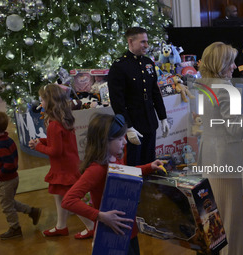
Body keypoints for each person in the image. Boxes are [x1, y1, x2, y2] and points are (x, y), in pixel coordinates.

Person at [197, 42, 243, 255]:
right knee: (230, 216)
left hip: (210, 157)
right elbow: (235, 128)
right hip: (224, 161)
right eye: (231, 62)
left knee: (213, 216)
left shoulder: (204, 84)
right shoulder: (225, 89)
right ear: (220, 64)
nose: (235, 67)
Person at [61, 113, 164, 255]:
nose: (125, 142)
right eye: (120, 138)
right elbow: (68, 200)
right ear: (105, 141)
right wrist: (100, 216)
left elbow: (125, 172)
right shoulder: (96, 169)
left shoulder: (115, 157)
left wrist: (148, 167)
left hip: (128, 229)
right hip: (112, 234)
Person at [29, 84, 94, 239]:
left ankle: (92, 226)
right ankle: (61, 226)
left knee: (70, 200)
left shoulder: (54, 124)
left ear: (50, 101)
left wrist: (38, 146)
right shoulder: (63, 119)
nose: (41, 103)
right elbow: (59, 143)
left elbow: (55, 151)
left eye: (42, 100)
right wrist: (43, 141)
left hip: (63, 168)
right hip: (67, 165)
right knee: (59, 196)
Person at [107, 27, 169, 167]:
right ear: (130, 42)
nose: (146, 45)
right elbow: (118, 101)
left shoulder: (148, 63)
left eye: (147, 42)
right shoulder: (119, 67)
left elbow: (155, 92)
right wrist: (128, 127)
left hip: (150, 122)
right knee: (134, 164)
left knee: (150, 162)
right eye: (143, 42)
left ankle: (150, 189)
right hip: (133, 125)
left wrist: (163, 117)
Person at [0, 111, 41, 240]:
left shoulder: (0, 145)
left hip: (7, 180)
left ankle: (15, 228)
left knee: (6, 205)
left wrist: (0, 173)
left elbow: (9, 163)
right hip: (12, 178)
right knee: (8, 201)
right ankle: (32, 211)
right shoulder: (7, 140)